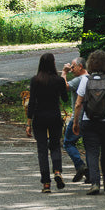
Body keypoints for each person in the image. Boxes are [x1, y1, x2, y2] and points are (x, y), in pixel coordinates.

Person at [72, 50, 105, 195]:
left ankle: (95, 183)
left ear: (90, 64)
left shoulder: (85, 80)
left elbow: (78, 104)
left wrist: (75, 122)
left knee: (91, 152)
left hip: (88, 121)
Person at [25, 54, 69, 193]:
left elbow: (31, 103)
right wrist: (64, 76)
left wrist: (28, 122)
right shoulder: (58, 80)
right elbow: (65, 98)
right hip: (55, 116)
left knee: (42, 150)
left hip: (39, 117)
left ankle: (46, 184)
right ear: (53, 64)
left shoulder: (35, 80)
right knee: (55, 145)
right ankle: (57, 171)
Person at [60, 57, 89, 183]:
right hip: (90, 117)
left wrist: (64, 73)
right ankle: (90, 174)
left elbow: (63, 87)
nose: (71, 69)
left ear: (80, 67)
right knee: (89, 146)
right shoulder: (91, 78)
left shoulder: (79, 80)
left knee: (68, 143)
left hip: (78, 117)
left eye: (73, 67)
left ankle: (80, 165)